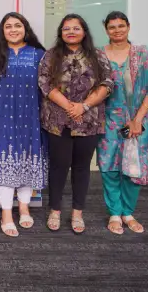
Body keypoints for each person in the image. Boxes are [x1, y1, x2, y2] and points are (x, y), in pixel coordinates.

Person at [38, 14, 112, 234]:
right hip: (57, 121)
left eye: (76, 28)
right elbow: (44, 82)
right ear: (61, 33)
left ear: (84, 31)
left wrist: (84, 106)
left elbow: (108, 83)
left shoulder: (98, 55)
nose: (71, 32)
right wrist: (70, 107)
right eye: (66, 28)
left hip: (88, 120)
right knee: (58, 166)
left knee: (81, 167)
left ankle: (77, 212)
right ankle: (55, 210)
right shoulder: (51, 55)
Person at [0, 13, 46, 237]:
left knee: (27, 157)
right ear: (2, 30)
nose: (13, 30)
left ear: (25, 28)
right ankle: (7, 212)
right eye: (8, 26)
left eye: (17, 25)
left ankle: (24, 207)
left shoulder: (39, 54)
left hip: (31, 116)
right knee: (4, 159)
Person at [98, 11, 148, 235]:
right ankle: (114, 212)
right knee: (109, 166)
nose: (117, 30)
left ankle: (128, 213)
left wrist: (137, 120)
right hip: (108, 119)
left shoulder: (144, 54)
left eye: (121, 26)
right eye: (112, 27)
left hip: (139, 119)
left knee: (133, 166)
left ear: (128, 27)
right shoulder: (98, 55)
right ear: (106, 30)